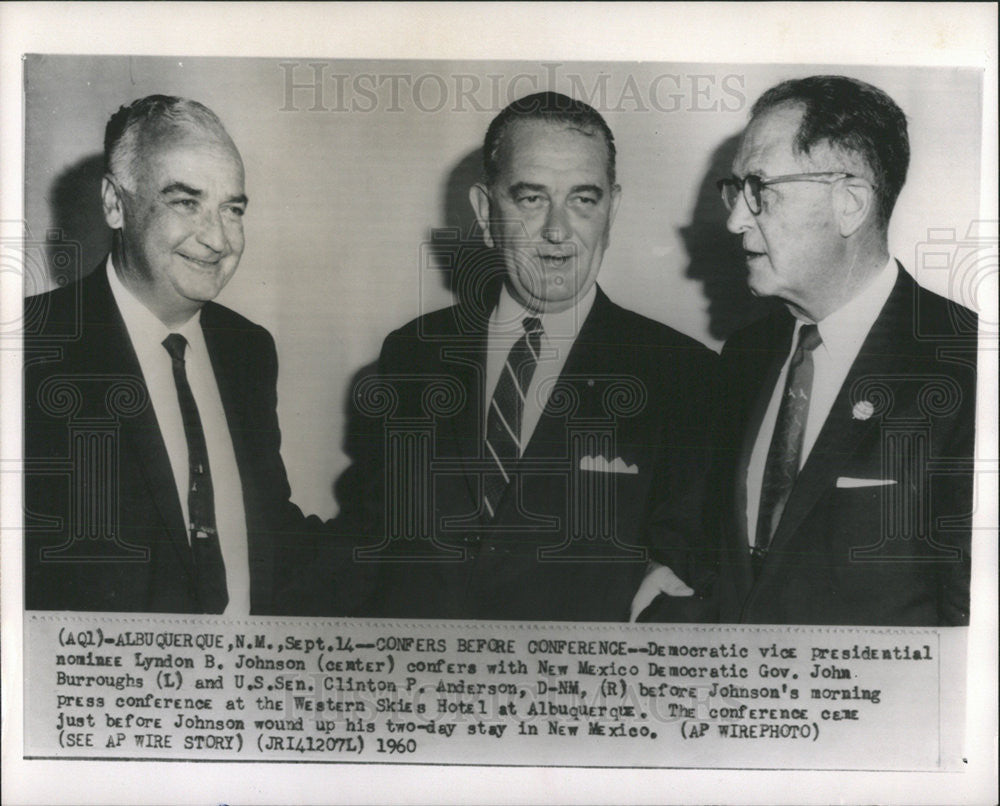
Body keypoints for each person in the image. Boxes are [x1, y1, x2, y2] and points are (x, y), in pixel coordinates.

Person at [339, 91, 717, 620]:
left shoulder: (686, 374)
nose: (558, 232)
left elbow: (689, 559)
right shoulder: (412, 354)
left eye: (584, 199)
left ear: (613, 208)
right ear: (484, 210)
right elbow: (370, 545)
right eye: (531, 199)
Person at [633, 75, 977, 626]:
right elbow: (710, 535)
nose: (735, 219)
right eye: (736, 190)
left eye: (760, 189)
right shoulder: (745, 355)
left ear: (850, 203)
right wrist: (672, 570)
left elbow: (973, 630)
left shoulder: (969, 367)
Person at [24, 95, 323, 614]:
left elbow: (268, 532)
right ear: (115, 204)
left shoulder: (248, 350)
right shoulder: (28, 347)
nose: (218, 239)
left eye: (232, 209)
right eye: (186, 202)